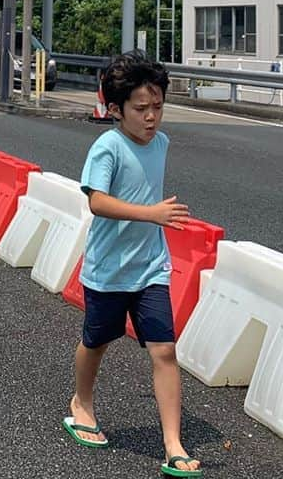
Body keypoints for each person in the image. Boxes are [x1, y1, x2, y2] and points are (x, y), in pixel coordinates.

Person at [62, 51, 202, 477]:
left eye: (157, 106)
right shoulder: (107, 147)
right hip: (108, 269)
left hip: (150, 268)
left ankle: (173, 444)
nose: (151, 117)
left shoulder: (161, 143)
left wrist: (155, 222)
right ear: (116, 108)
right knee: (97, 341)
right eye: (141, 109)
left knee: (164, 349)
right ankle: (81, 404)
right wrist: (152, 214)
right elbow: (97, 201)